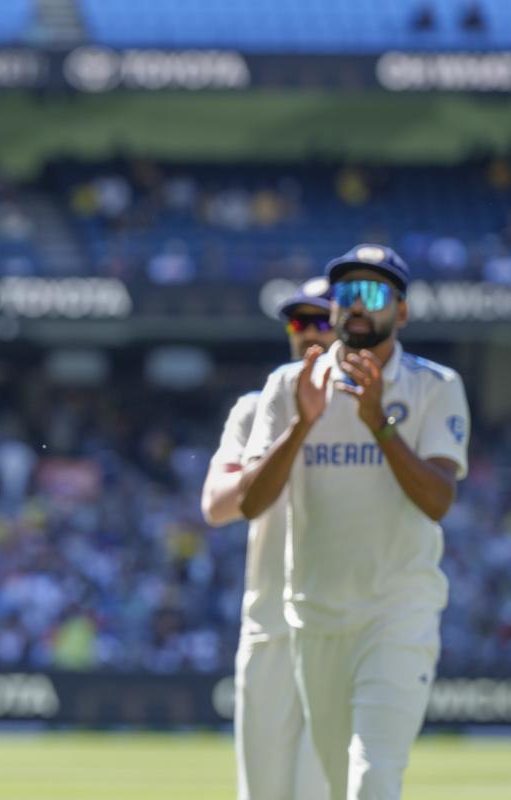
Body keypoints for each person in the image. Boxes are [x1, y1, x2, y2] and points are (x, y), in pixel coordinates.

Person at [238, 245, 470, 800]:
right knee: (339, 786)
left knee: (373, 779)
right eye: (346, 294)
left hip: (397, 614)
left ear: (403, 311)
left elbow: (438, 500)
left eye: (373, 293)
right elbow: (251, 504)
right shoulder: (290, 385)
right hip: (314, 617)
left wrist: (379, 426)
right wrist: (301, 423)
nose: (357, 307)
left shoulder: (435, 386)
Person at [201, 276, 332, 800]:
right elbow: (217, 505)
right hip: (269, 627)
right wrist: (294, 428)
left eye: (322, 320)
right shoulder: (255, 409)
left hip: (339, 627)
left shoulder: (370, 410)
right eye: (299, 322)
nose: (309, 333)